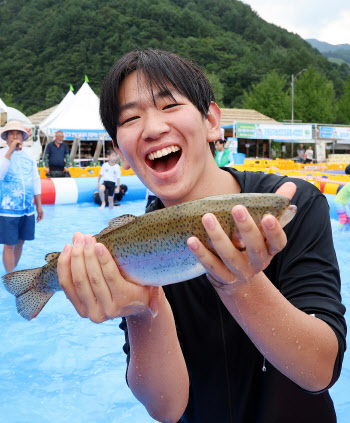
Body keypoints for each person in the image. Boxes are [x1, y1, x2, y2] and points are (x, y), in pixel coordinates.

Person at [57, 49, 346, 423]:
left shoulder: (297, 203)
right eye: (130, 118)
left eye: (169, 105)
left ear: (211, 121)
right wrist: (143, 309)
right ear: (120, 150)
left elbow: (320, 371)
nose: (152, 127)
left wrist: (240, 284)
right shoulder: (133, 247)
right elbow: (166, 407)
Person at [0, 120, 43, 272]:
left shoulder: (29, 155)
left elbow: (35, 179)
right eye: (12, 134)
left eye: (18, 134)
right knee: (9, 244)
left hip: (27, 208)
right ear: (6, 137)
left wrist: (38, 204)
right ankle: (9, 276)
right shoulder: (1, 154)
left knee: (20, 242)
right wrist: (9, 152)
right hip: (8, 209)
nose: (15, 136)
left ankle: (14, 273)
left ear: (24, 137)